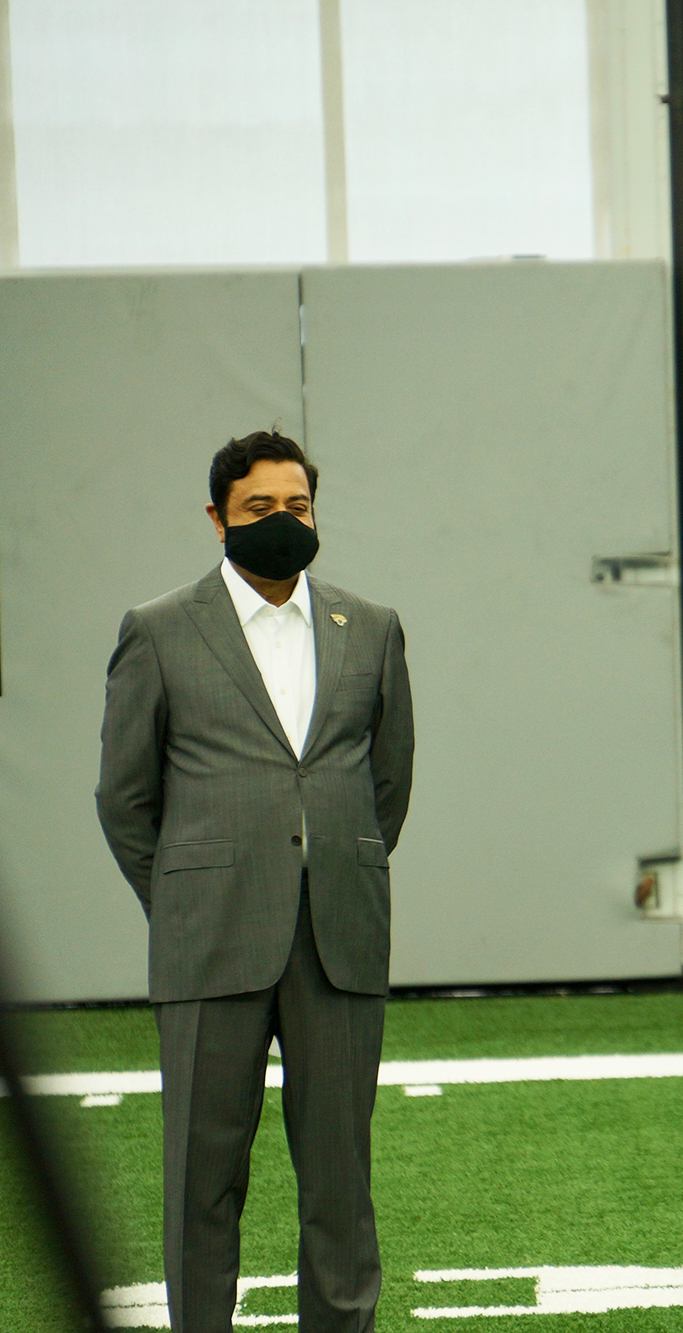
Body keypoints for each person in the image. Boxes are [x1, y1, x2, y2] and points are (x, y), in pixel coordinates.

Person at [96, 431, 414, 1333]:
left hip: (337, 938)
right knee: (202, 1180)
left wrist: (333, 866)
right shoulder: (157, 629)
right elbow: (125, 795)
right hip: (208, 940)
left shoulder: (373, 625)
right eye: (260, 509)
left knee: (340, 1182)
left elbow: (386, 783)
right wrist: (186, 900)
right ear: (217, 518)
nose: (283, 522)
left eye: (298, 507)